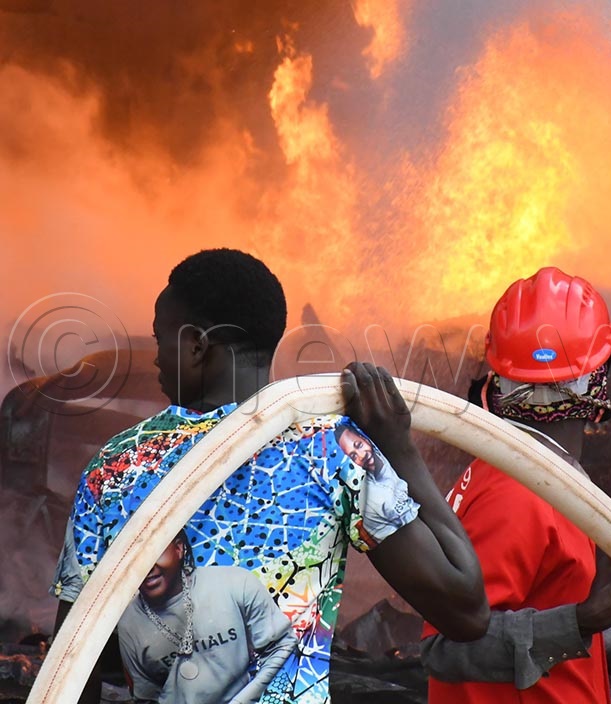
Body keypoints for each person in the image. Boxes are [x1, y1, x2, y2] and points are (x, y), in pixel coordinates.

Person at [51, 248, 489, 704]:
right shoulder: (331, 451)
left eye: (161, 339)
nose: (157, 358)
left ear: (197, 345)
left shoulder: (116, 467)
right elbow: (466, 611)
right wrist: (399, 448)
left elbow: (71, 666)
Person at [421, 266, 611, 703]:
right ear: (600, 381)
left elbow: (558, 621)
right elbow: (446, 650)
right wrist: (589, 616)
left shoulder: (543, 474)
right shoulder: (517, 494)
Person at [117, 532, 296, 703]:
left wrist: (242, 700)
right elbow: (146, 696)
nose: (146, 566)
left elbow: (282, 648)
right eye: (133, 559)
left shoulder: (234, 583)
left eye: (153, 552)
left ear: (178, 548)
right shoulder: (128, 623)